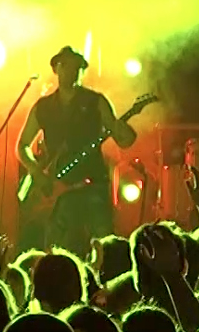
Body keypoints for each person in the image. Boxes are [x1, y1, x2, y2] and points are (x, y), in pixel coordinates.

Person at [15, 46, 153, 255]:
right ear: (56, 68)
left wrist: (122, 129)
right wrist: (36, 172)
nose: (72, 70)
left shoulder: (95, 102)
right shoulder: (43, 107)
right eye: (66, 65)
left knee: (105, 246)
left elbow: (124, 141)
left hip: (92, 186)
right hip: (57, 189)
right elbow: (22, 145)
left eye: (77, 66)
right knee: (55, 251)